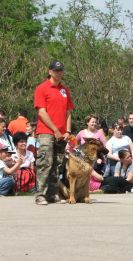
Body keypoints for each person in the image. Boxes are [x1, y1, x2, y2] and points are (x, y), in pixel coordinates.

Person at [33, 60, 74, 205]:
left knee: (57, 164)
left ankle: (52, 193)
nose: (59, 73)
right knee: (45, 162)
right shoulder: (42, 88)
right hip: (46, 132)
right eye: (56, 70)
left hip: (62, 134)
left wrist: (68, 130)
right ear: (50, 71)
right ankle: (40, 194)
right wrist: (55, 130)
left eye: (61, 70)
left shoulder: (65, 90)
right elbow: (42, 112)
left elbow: (68, 112)